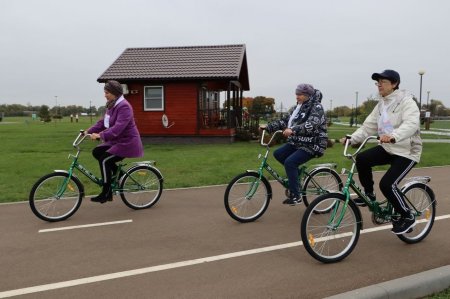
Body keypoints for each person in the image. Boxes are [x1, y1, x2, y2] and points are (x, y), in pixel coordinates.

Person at [341, 69, 422, 234]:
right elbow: (368, 127)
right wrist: (352, 138)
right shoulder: (381, 105)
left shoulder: (406, 101)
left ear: (394, 84)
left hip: (407, 151)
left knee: (387, 184)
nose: (379, 85)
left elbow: (411, 124)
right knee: (362, 159)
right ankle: (369, 195)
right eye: (378, 82)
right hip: (388, 147)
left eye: (383, 82)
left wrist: (393, 136)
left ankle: (407, 215)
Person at [261, 83, 328, 205]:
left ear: (307, 95)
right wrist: (268, 127)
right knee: (278, 154)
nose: (297, 97)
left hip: (314, 143)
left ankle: (296, 195)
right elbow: (285, 121)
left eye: (300, 94)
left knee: (290, 162)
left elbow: (311, 124)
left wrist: (293, 130)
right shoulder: (297, 107)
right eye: (296, 94)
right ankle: (296, 179)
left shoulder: (316, 107)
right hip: (298, 141)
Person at [86, 80, 144, 203]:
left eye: (107, 92)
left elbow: (118, 128)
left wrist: (99, 136)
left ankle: (106, 193)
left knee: (104, 160)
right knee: (97, 152)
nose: (105, 95)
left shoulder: (124, 106)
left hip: (127, 143)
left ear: (115, 93)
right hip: (117, 141)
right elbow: (103, 123)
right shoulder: (111, 105)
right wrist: (87, 131)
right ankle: (120, 176)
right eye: (105, 92)